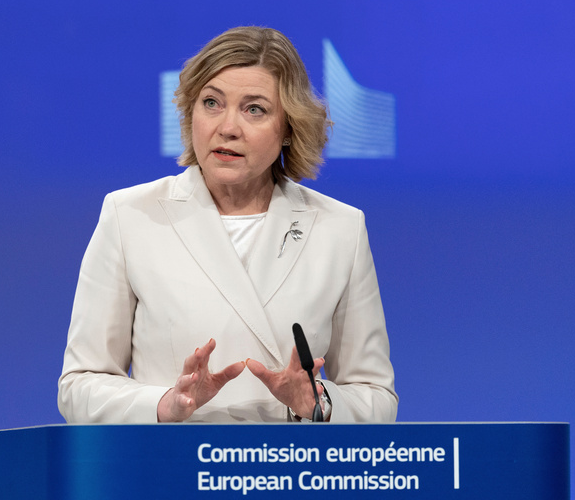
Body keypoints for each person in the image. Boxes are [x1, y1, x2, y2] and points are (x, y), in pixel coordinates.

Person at [58, 26, 396, 424]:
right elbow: (80, 385)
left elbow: (375, 396)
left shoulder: (340, 229)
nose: (228, 127)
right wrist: (164, 404)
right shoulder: (130, 216)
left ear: (288, 128)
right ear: (190, 112)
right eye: (212, 103)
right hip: (177, 471)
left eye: (254, 109)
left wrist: (317, 402)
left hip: (291, 473)